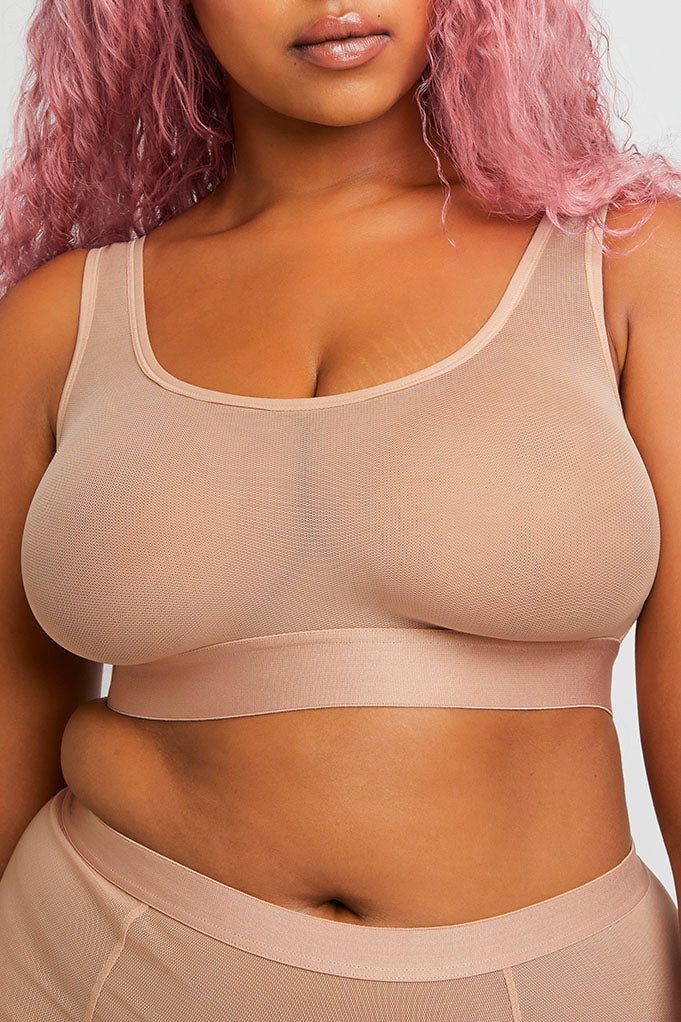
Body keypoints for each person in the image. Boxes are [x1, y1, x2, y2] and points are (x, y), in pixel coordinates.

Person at [1, 0, 681, 1018]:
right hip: (90, 969)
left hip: (552, 984)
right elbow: (10, 717)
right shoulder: (57, 321)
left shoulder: (629, 262)